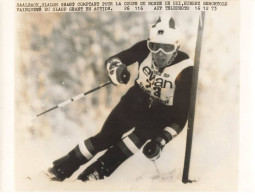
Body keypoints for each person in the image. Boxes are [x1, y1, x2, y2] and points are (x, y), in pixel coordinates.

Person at [48, 15, 194, 182]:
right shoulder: (143, 50)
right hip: (136, 100)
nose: (159, 54)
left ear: (176, 47)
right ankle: (60, 169)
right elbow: (113, 60)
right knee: (106, 137)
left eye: (166, 48)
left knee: (134, 140)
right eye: (155, 47)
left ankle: (92, 176)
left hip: (160, 112)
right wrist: (117, 69)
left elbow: (180, 118)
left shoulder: (186, 69)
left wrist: (160, 141)